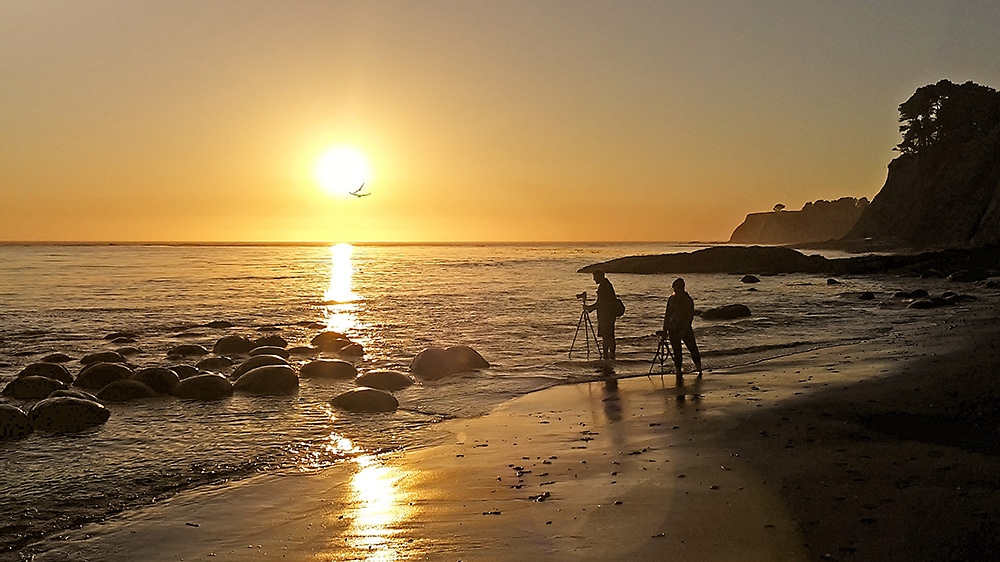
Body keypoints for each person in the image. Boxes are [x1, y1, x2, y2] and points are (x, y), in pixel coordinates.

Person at [663, 277, 702, 377]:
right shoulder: (671, 299)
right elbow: (667, 314)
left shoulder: (687, 300)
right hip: (673, 328)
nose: (675, 290)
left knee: (692, 348)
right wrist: (665, 329)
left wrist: (685, 329)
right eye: (674, 288)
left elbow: (689, 316)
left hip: (685, 328)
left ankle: (699, 368)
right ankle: (678, 370)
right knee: (677, 351)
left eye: (676, 288)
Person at [586, 270, 618, 361]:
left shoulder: (604, 286)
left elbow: (601, 303)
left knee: (606, 336)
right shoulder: (606, 285)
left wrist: (590, 308)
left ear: (600, 276)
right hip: (609, 314)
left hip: (607, 315)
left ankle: (607, 356)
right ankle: (611, 356)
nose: (594, 279)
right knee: (610, 335)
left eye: (595, 277)